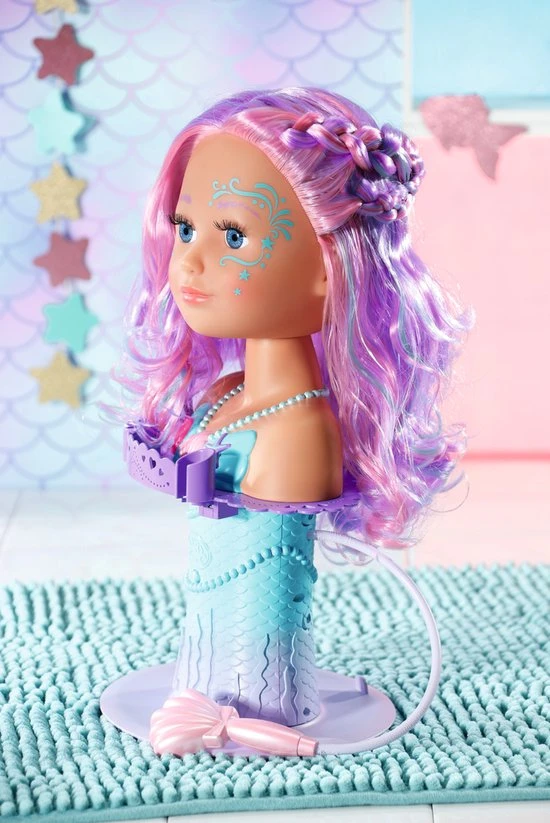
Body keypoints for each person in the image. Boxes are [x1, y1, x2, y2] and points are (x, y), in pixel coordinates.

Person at [110, 86, 471, 738]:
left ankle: (250, 702)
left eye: (233, 235)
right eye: (186, 228)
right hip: (205, 658)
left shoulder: (298, 429)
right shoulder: (228, 392)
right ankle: (207, 686)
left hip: (264, 684)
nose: (189, 260)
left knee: (260, 646)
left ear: (328, 267)